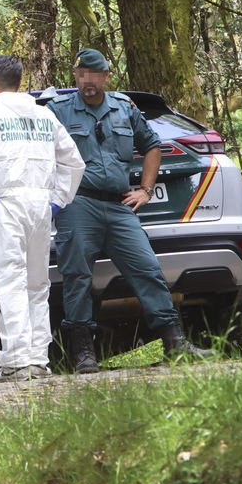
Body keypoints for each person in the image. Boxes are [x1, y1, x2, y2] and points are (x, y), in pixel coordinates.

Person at [46, 48, 213, 373]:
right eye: (81, 75)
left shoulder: (124, 109)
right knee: (77, 277)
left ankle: (174, 343)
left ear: (106, 76)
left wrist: (146, 191)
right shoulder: (59, 111)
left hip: (119, 205)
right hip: (78, 203)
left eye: (93, 74)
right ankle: (83, 353)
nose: (87, 81)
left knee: (147, 268)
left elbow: (152, 146)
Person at [0, 55, 86, 381]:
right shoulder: (44, 115)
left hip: (5, 203)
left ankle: (17, 360)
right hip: (40, 205)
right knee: (37, 284)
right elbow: (75, 162)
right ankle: (39, 359)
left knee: (9, 281)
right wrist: (58, 200)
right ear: (20, 81)